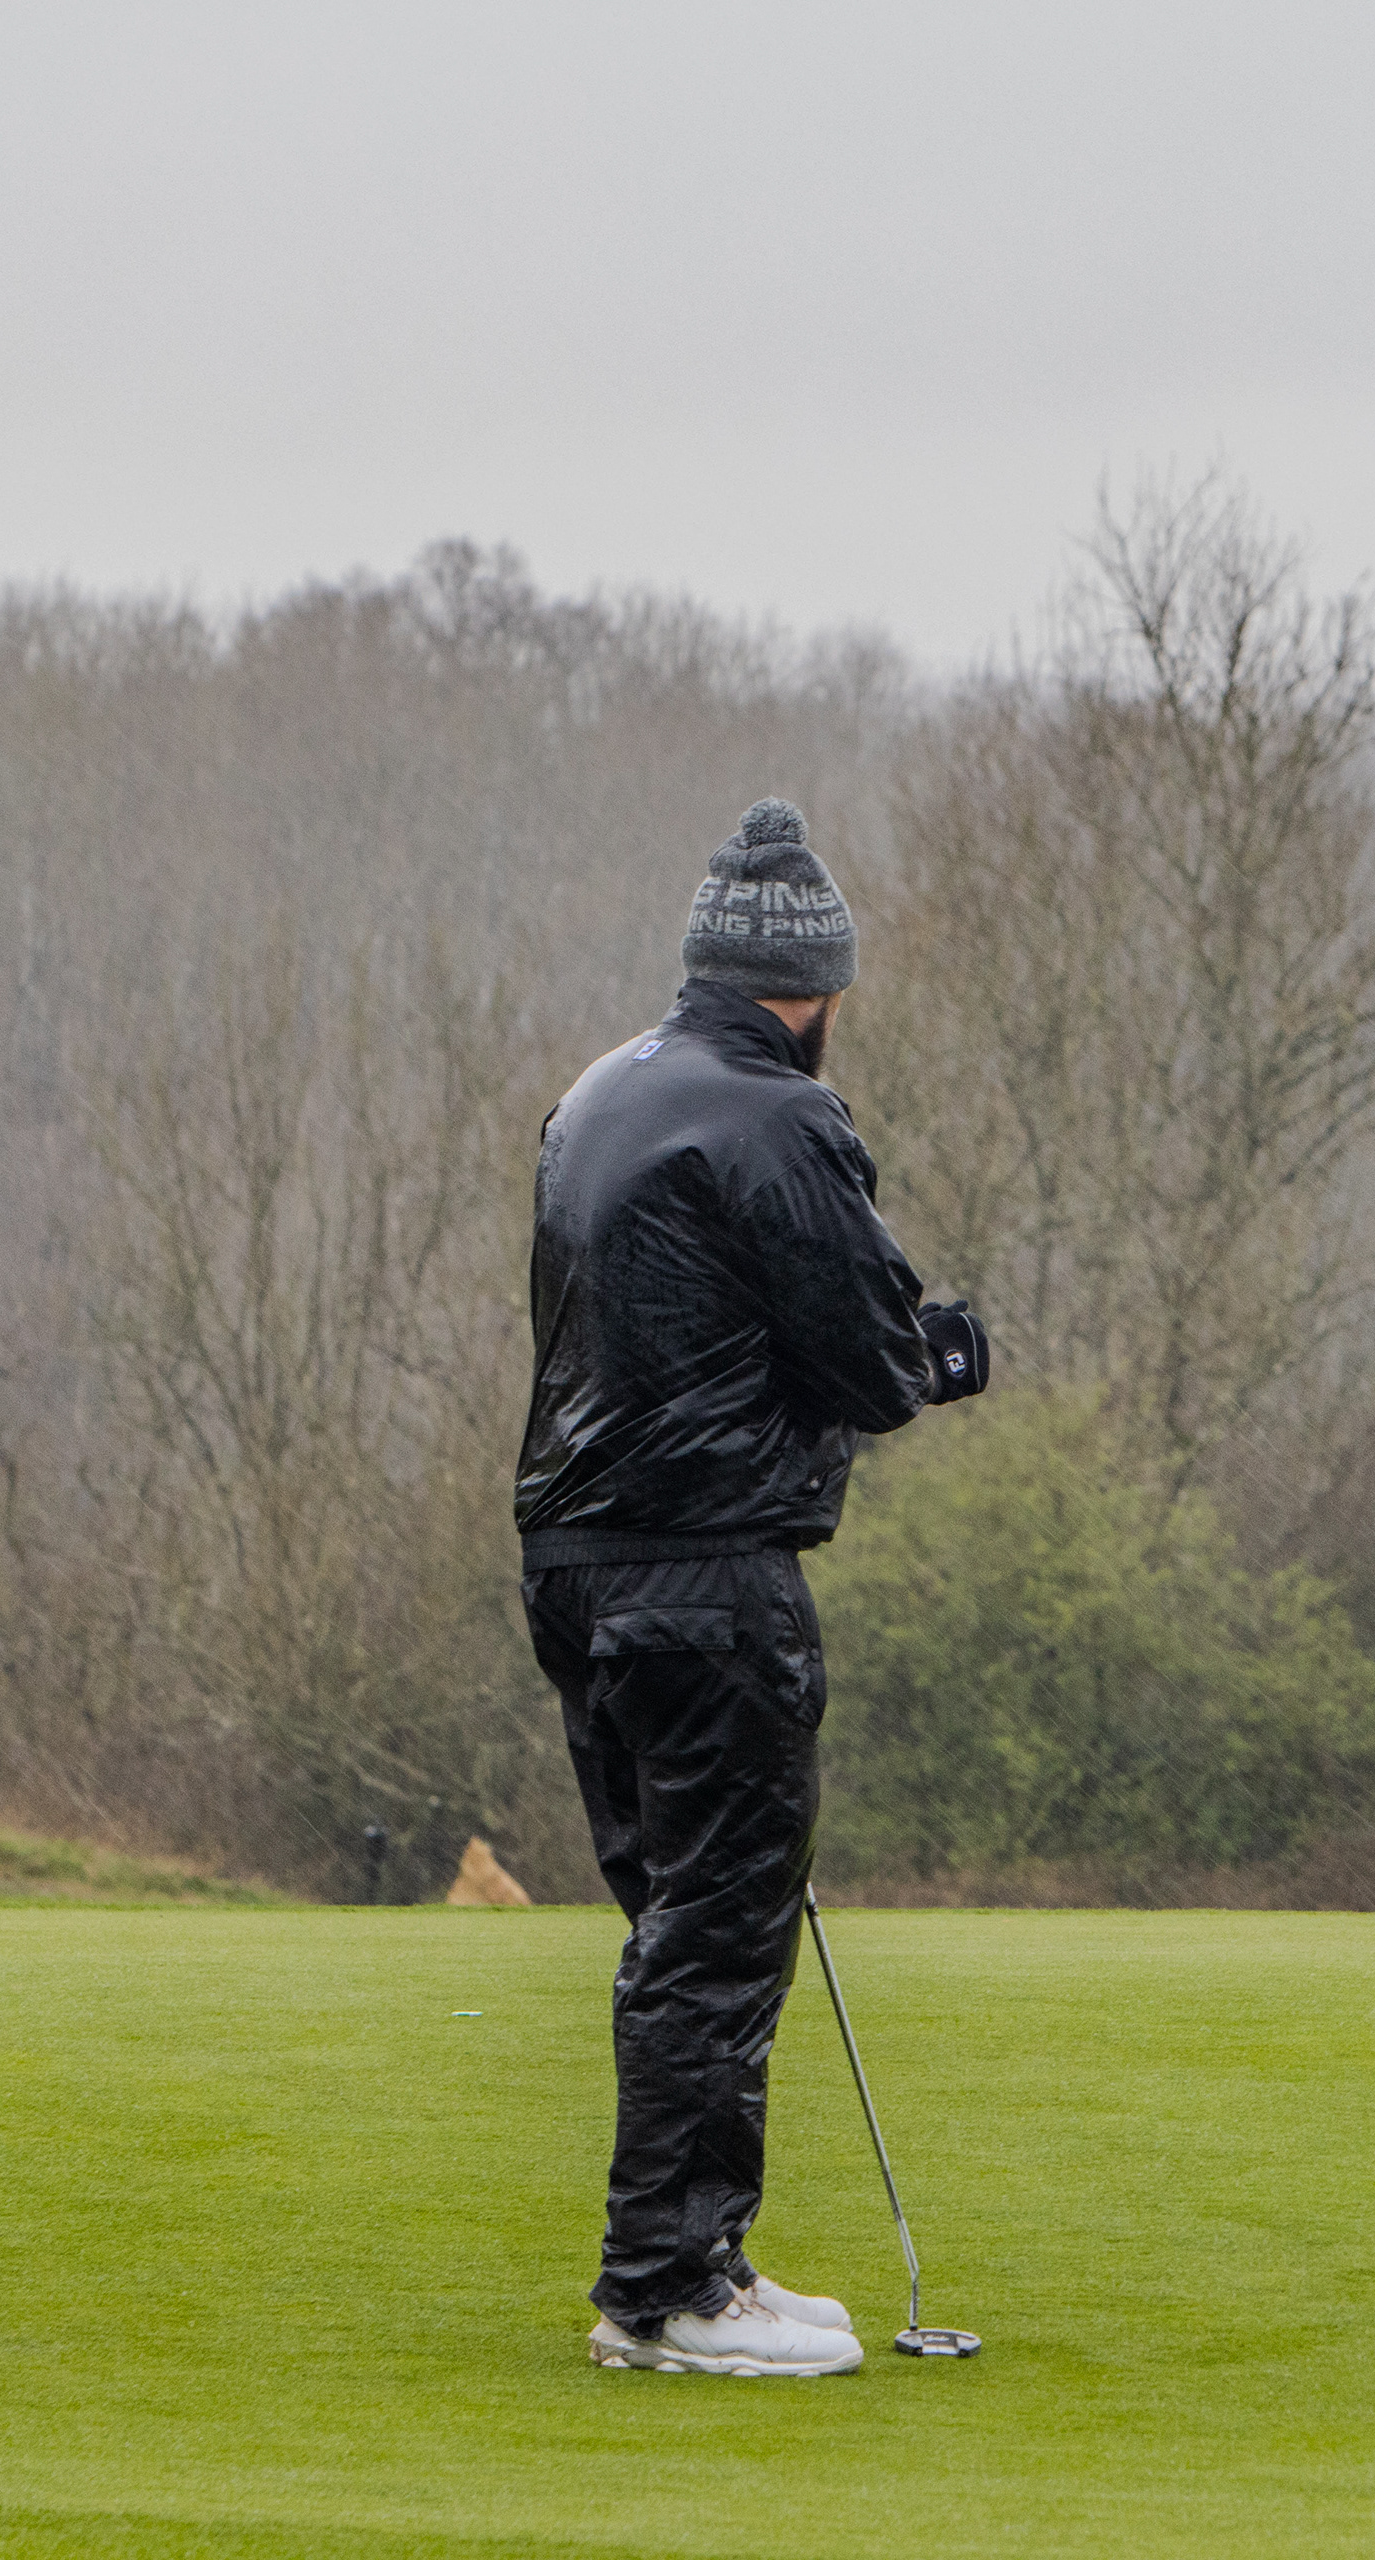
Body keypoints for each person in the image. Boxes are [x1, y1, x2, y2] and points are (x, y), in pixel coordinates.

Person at [514, 797, 991, 2375]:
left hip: (576, 1568)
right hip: (708, 1575)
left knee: (676, 1922)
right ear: (820, 989)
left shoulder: (599, 1094)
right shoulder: (784, 1117)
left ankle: (703, 2255)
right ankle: (666, 2291)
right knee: (718, 1934)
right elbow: (871, 1360)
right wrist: (940, 1354)